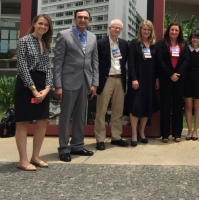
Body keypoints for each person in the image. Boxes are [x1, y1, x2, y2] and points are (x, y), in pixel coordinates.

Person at [53, 9, 99, 162]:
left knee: (80, 116)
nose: (83, 20)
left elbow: (95, 62)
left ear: (89, 20)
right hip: (68, 82)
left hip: (86, 82)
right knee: (66, 116)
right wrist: (58, 85)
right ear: (74, 19)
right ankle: (64, 148)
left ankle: (78, 145)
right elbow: (58, 62)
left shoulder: (92, 37)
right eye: (80, 17)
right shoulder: (64, 35)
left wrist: (95, 83)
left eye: (86, 18)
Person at [13, 14, 53, 171]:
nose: (43, 26)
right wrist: (34, 90)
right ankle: (22, 160)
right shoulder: (24, 41)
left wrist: (48, 88)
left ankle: (35, 156)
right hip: (26, 85)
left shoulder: (44, 43)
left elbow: (48, 68)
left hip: (42, 85)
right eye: (40, 23)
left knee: (43, 121)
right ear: (34, 24)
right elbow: (22, 67)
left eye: (46, 25)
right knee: (23, 122)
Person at [94, 19, 129, 150]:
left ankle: (116, 137)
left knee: (118, 111)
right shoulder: (100, 43)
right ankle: (100, 139)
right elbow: (96, 63)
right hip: (106, 79)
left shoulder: (124, 44)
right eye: (115, 27)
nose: (117, 30)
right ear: (109, 28)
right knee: (101, 111)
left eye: (119, 28)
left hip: (120, 79)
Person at [126, 20, 159, 146]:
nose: (146, 31)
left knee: (146, 105)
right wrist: (134, 78)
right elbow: (130, 62)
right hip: (137, 80)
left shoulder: (153, 44)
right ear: (140, 30)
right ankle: (133, 133)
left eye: (149, 29)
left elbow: (156, 64)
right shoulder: (135, 43)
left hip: (149, 80)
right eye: (144, 29)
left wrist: (156, 79)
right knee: (135, 106)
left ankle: (142, 132)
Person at [156, 22, 189, 143]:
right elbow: (159, 60)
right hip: (166, 79)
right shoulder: (161, 44)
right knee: (165, 106)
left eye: (176, 30)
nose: (174, 32)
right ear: (168, 31)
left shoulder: (183, 45)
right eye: (172, 30)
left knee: (177, 106)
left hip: (179, 80)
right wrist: (170, 74)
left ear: (179, 32)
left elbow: (186, 60)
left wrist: (177, 74)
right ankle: (165, 134)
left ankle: (177, 133)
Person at [184, 29, 199, 141]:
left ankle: (196, 130)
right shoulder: (185, 50)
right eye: (193, 37)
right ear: (190, 39)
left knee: (197, 106)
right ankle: (189, 130)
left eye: (197, 37)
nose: (195, 39)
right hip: (187, 79)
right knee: (188, 106)